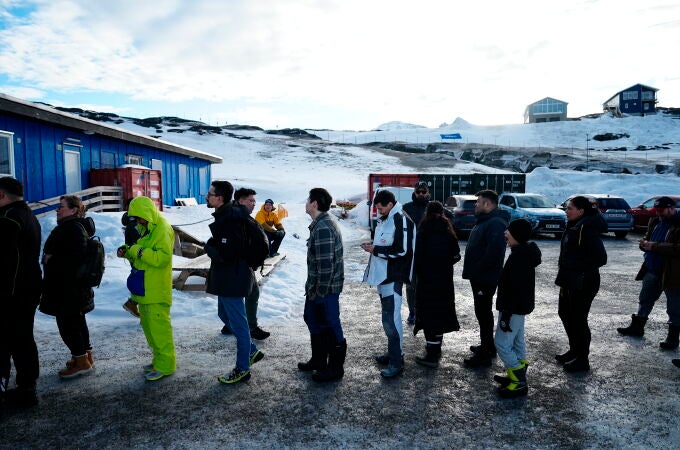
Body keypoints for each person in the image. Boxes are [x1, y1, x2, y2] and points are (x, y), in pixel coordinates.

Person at [204, 181, 264, 384]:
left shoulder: (230, 219)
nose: (207, 196)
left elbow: (228, 254)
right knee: (223, 314)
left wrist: (209, 248)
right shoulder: (227, 215)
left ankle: (242, 368)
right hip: (229, 276)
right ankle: (252, 351)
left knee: (238, 324)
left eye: (210, 194)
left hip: (234, 277)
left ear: (219, 198)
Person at [116, 196, 176, 381]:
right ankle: (159, 360)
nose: (138, 222)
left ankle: (166, 365)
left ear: (147, 213)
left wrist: (137, 251)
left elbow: (162, 258)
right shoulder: (146, 229)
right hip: (144, 288)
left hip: (156, 290)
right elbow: (140, 254)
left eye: (139, 217)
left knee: (159, 330)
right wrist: (127, 250)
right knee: (150, 330)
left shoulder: (163, 229)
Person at [39, 195, 97, 379]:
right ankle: (85, 357)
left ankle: (81, 362)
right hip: (71, 288)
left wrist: (51, 259)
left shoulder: (72, 228)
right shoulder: (73, 227)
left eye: (61, 207)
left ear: (73, 210)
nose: (58, 210)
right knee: (77, 322)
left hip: (67, 289)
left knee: (68, 325)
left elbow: (76, 258)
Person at [361, 189, 415, 378]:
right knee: (389, 319)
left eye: (381, 208)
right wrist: (373, 246)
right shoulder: (387, 218)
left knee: (391, 320)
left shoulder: (401, 219)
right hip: (383, 275)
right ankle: (394, 353)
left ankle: (396, 363)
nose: (379, 211)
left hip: (393, 276)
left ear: (390, 205)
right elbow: (386, 243)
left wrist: (376, 249)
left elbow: (402, 250)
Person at [617, 197, 680, 349]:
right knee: (645, 299)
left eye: (661, 210)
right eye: (656, 210)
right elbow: (647, 238)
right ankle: (637, 327)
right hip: (652, 269)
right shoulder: (655, 221)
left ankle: (672, 339)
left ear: (671, 208)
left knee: (675, 307)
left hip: (672, 273)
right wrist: (644, 244)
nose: (658, 213)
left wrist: (655, 247)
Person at [0, 177, 42, 408]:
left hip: (11, 293)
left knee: (6, 343)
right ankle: (27, 388)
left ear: (1, 195)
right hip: (28, 288)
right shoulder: (28, 215)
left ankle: (14, 389)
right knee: (23, 340)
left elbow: (5, 262)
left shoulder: (9, 219)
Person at [298, 188, 347, 382]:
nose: (306, 203)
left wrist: (319, 293)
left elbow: (326, 265)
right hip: (317, 287)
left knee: (330, 325)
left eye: (308, 199)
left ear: (315, 203)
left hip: (325, 289)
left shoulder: (324, 227)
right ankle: (319, 360)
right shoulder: (320, 224)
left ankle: (335, 369)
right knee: (312, 319)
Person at [555, 196, 607, 373]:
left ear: (581, 211)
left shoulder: (586, 228)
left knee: (578, 319)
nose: (566, 211)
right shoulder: (575, 225)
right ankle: (575, 351)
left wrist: (575, 268)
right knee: (565, 313)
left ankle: (582, 359)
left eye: (570, 208)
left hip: (583, 282)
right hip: (570, 279)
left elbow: (601, 258)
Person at [493, 219, 541, 398]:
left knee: (502, 344)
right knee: (517, 342)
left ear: (517, 235)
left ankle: (519, 380)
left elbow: (515, 289)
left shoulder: (519, 257)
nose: (505, 233)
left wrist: (506, 312)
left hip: (512, 308)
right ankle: (516, 377)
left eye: (509, 231)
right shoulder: (523, 253)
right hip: (519, 308)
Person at [461, 189, 510, 368]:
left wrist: (478, 270)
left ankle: (486, 354)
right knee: (482, 313)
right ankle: (488, 346)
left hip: (485, 278)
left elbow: (494, 253)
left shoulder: (495, 223)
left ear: (487, 204)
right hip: (480, 276)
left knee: (483, 313)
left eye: (478, 202)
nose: (476, 205)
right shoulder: (487, 220)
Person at [412, 201, 461, 368]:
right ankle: (436, 348)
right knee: (440, 313)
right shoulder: (448, 230)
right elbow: (456, 256)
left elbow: (417, 256)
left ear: (427, 212)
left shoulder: (424, 230)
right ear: (442, 213)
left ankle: (432, 354)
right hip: (444, 281)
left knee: (428, 313)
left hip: (427, 281)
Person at [219, 187, 270, 340]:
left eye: (254, 200)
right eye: (250, 200)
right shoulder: (236, 217)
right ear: (240, 200)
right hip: (239, 265)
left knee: (239, 295)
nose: (254, 204)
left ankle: (230, 324)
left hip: (242, 264)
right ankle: (249, 327)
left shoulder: (241, 215)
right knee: (249, 293)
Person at [402, 181, 455, 325]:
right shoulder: (406, 208)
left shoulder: (433, 207)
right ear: (414, 192)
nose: (420, 194)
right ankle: (413, 312)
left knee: (427, 284)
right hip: (412, 253)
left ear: (428, 193)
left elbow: (450, 218)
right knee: (411, 285)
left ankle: (424, 311)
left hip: (429, 254)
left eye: (423, 192)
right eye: (418, 192)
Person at [121, 206, 141, 318]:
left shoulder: (130, 225)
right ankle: (132, 303)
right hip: (139, 257)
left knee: (141, 282)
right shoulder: (134, 226)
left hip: (134, 257)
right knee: (142, 283)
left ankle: (132, 303)